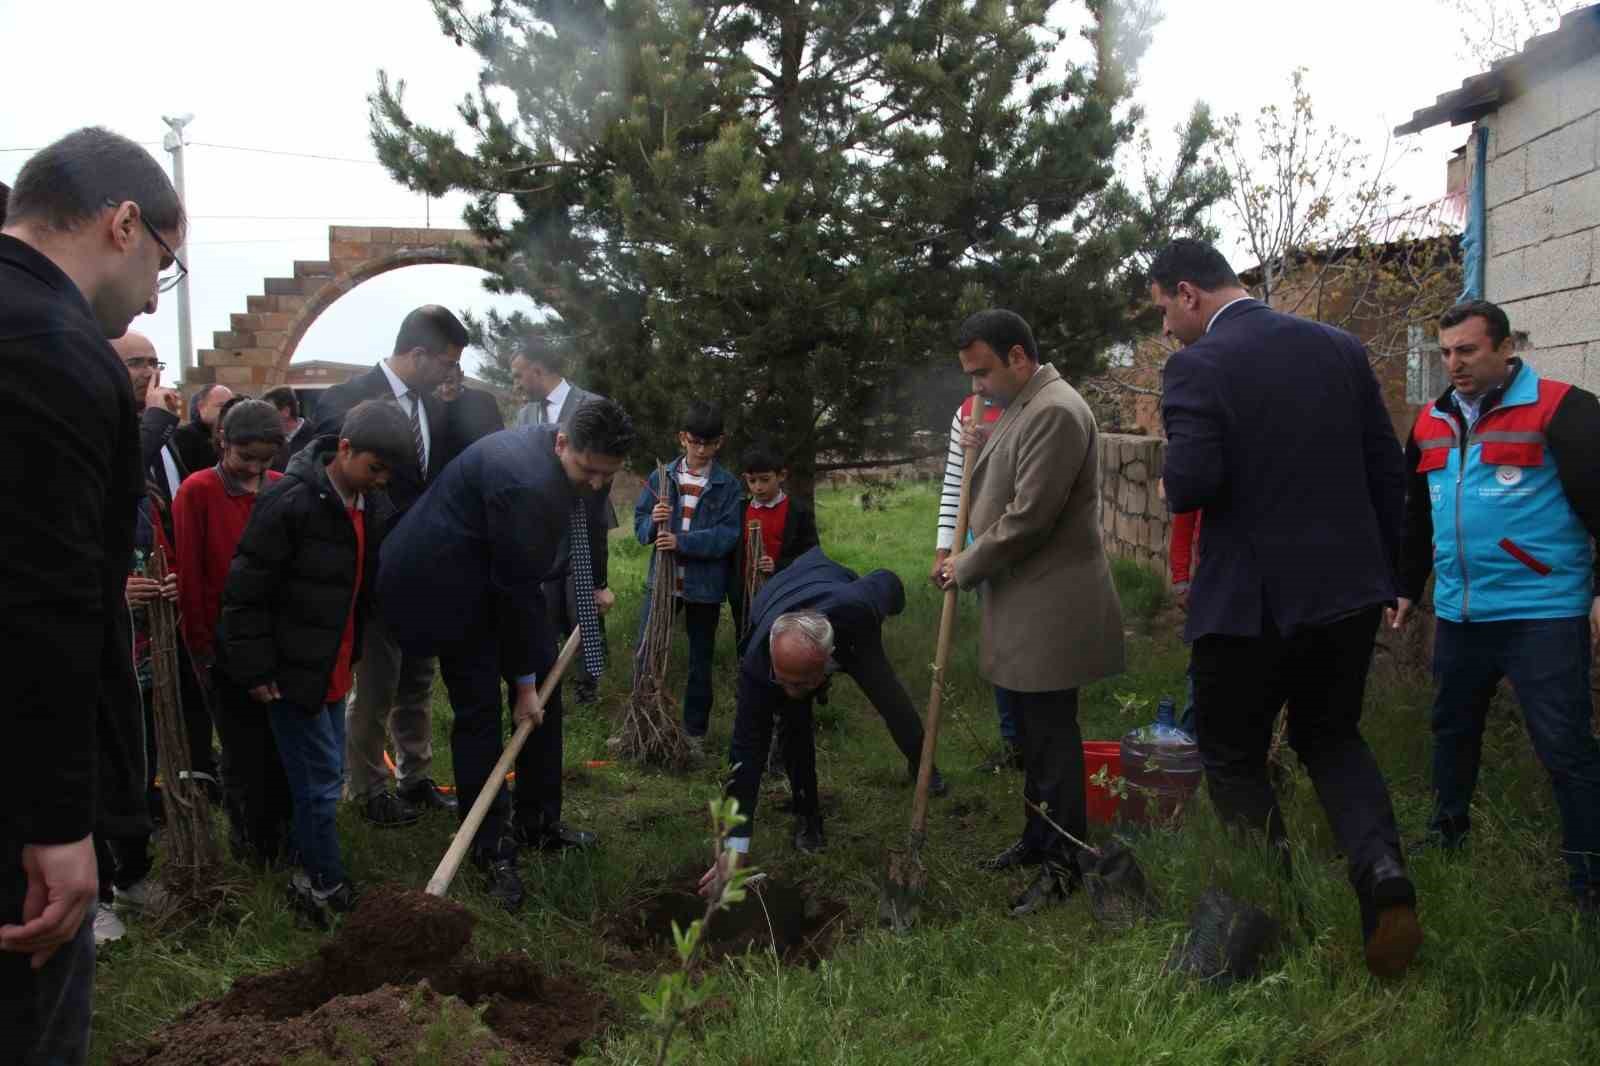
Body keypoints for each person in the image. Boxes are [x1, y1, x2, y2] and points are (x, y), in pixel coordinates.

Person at [1151, 238, 1418, 978]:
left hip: (1248, 608)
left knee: (1235, 759)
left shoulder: (1198, 365)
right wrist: (1393, 572)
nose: (1167, 331)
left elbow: (1193, 484)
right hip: (1348, 595)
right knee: (1331, 736)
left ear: (1188, 293)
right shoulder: (1338, 347)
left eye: (1165, 312)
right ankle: (1382, 872)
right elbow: (1384, 466)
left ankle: (1274, 922)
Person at [0, 126, 184, 1065]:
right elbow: (46, 603)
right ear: (123, 224)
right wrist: (60, 821)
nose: (156, 292)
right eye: (165, 260)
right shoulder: (55, 351)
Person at [379, 401, 635, 909]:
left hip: (493, 574)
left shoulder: (563, 462)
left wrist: (533, 683)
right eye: (589, 471)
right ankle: (490, 848)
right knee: (479, 710)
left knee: (547, 692)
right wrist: (521, 687)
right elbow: (517, 592)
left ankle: (539, 821)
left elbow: (526, 583)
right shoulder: (525, 484)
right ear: (563, 443)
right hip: (442, 584)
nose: (596, 484)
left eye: (608, 475)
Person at [1389, 300, 1600, 908]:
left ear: (1507, 348)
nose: (1454, 363)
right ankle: (1447, 836)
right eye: (1446, 352)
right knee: (1452, 729)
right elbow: (1416, 515)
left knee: (1565, 746)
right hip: (1461, 612)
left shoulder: (1563, 409)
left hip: (1542, 611)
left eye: (1468, 350)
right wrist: (1407, 585)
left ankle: (1587, 878)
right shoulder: (1430, 422)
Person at [935, 310, 1125, 917]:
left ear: (1019, 356)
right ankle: (1037, 838)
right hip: (1023, 598)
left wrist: (963, 565)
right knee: (1033, 735)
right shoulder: (1025, 404)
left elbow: (1030, 517)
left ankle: (1064, 862)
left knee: (1051, 738)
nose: (977, 387)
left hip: (1051, 603)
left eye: (983, 372)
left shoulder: (1056, 411)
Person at [219, 401, 411, 925]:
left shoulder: (369, 504)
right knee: (320, 780)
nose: (380, 481)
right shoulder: (293, 500)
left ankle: (314, 868)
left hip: (332, 666)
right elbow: (245, 591)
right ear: (344, 449)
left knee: (321, 778)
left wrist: (352, 656)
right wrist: (256, 669)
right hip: (290, 672)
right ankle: (320, 882)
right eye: (374, 469)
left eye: (388, 473)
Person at [703, 548, 945, 889]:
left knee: (890, 698)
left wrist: (909, 595)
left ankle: (924, 766)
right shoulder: (760, 664)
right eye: (782, 678)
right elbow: (746, 753)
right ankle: (808, 818)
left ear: (823, 670)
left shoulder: (858, 609)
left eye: (799, 682)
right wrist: (734, 846)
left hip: (834, 600)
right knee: (793, 724)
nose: (787, 688)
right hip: (781, 595)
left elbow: (887, 581)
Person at [313, 305, 466, 825]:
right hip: (374, 573)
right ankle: (368, 787)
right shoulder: (346, 401)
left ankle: (415, 776)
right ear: (418, 354)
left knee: (418, 681)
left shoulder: (436, 410)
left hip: (426, 575)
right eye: (446, 362)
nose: (451, 374)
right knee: (376, 684)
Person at [173, 401, 289, 864]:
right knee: (241, 749)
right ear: (223, 440)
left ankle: (284, 833)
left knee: (279, 744)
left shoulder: (281, 489)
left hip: (273, 639)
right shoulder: (197, 491)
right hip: (223, 642)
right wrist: (201, 644)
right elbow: (191, 571)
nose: (257, 469)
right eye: (247, 458)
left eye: (266, 460)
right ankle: (251, 840)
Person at [632, 401, 742, 752]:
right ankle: (642, 722)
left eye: (709, 444)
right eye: (695, 441)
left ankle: (694, 733)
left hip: (704, 588)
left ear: (719, 443)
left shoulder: (727, 485)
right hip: (662, 584)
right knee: (646, 651)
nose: (701, 449)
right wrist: (654, 520)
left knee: (700, 660)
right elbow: (640, 527)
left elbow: (728, 535)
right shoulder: (662, 477)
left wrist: (682, 542)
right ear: (683, 438)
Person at [510, 349, 617, 704]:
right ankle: (546, 680)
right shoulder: (526, 413)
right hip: (544, 523)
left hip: (585, 520)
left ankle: (590, 685)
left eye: (519, 375)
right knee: (547, 602)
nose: (517, 383)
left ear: (537, 369)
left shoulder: (592, 405)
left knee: (583, 601)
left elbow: (603, 472)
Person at [929, 393, 1020, 772]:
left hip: (1028, 546)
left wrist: (993, 444)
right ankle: (1013, 743)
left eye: (984, 371)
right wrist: (944, 548)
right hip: (981, 549)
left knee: (1032, 646)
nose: (980, 383)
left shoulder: (1039, 404)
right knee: (998, 642)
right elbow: (956, 483)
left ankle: (1041, 742)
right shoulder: (967, 410)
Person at [728, 440, 820, 636]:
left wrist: (778, 565)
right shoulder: (739, 511)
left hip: (784, 591)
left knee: (780, 638)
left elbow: (811, 553)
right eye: (752, 481)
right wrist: (734, 589)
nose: (758, 487)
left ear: (781, 476)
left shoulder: (797, 511)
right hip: (745, 595)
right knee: (746, 637)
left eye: (764, 479)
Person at [435, 363, 505, 468]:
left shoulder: (484, 400)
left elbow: (498, 440)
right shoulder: (430, 406)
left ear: (461, 376)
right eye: (439, 383)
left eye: (450, 382)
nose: (445, 389)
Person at [169, 383, 235, 477]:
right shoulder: (183, 436)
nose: (228, 411)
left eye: (231, 406)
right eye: (221, 405)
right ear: (201, 407)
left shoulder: (234, 436)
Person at [262, 385, 317, 473]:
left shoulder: (315, 437)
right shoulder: (268, 438)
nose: (264, 417)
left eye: (269, 411)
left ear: (286, 411)